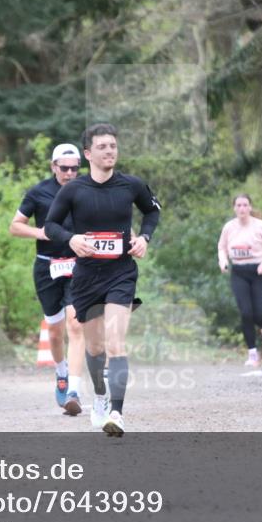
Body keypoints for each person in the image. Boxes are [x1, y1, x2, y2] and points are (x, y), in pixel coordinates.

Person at [44, 123, 161, 436]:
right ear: (88, 153)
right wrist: (71, 239)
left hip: (121, 273)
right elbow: (51, 226)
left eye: (113, 146)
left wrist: (144, 238)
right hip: (86, 277)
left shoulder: (132, 185)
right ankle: (99, 395)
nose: (110, 151)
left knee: (115, 342)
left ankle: (117, 413)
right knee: (94, 348)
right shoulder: (73, 190)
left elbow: (152, 212)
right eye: (102, 147)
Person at [9, 143, 87, 415]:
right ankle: (61, 372)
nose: (70, 173)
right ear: (54, 166)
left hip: (78, 266)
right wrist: (40, 233)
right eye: (64, 168)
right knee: (55, 330)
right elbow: (15, 226)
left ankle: (74, 391)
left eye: (75, 168)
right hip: (47, 267)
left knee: (76, 324)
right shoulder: (38, 192)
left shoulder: (87, 190)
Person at [217, 194, 262, 367]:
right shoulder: (229, 227)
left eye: (245, 205)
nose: (242, 208)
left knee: (259, 314)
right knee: (246, 313)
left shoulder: (260, 226)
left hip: (259, 273)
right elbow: (222, 248)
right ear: (234, 208)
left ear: (250, 207)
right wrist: (223, 261)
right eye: (238, 205)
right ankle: (252, 354)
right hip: (239, 273)